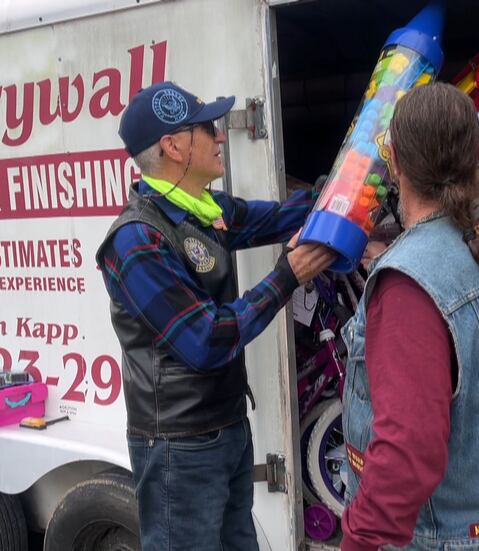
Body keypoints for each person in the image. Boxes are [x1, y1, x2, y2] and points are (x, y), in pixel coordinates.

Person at [96, 81, 334, 550]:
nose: (221, 137)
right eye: (208, 128)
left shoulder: (203, 210)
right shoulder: (136, 239)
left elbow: (281, 217)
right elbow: (207, 340)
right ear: (174, 146)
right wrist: (287, 275)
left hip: (226, 427)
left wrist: (343, 186)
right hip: (179, 448)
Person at [340, 82, 479, 551]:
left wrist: (358, 541)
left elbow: (407, 452)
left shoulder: (407, 288)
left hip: (442, 537)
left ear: (393, 161)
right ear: (477, 151)